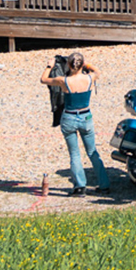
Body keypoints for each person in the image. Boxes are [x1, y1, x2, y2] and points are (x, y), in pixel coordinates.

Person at [40, 52, 110, 196]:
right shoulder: (90, 77)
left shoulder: (63, 81)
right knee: (92, 151)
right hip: (86, 116)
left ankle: (80, 186)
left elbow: (43, 79)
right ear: (81, 64)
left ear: (68, 65)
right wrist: (87, 64)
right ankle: (104, 184)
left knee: (74, 153)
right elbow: (97, 71)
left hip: (69, 117)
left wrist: (49, 65)